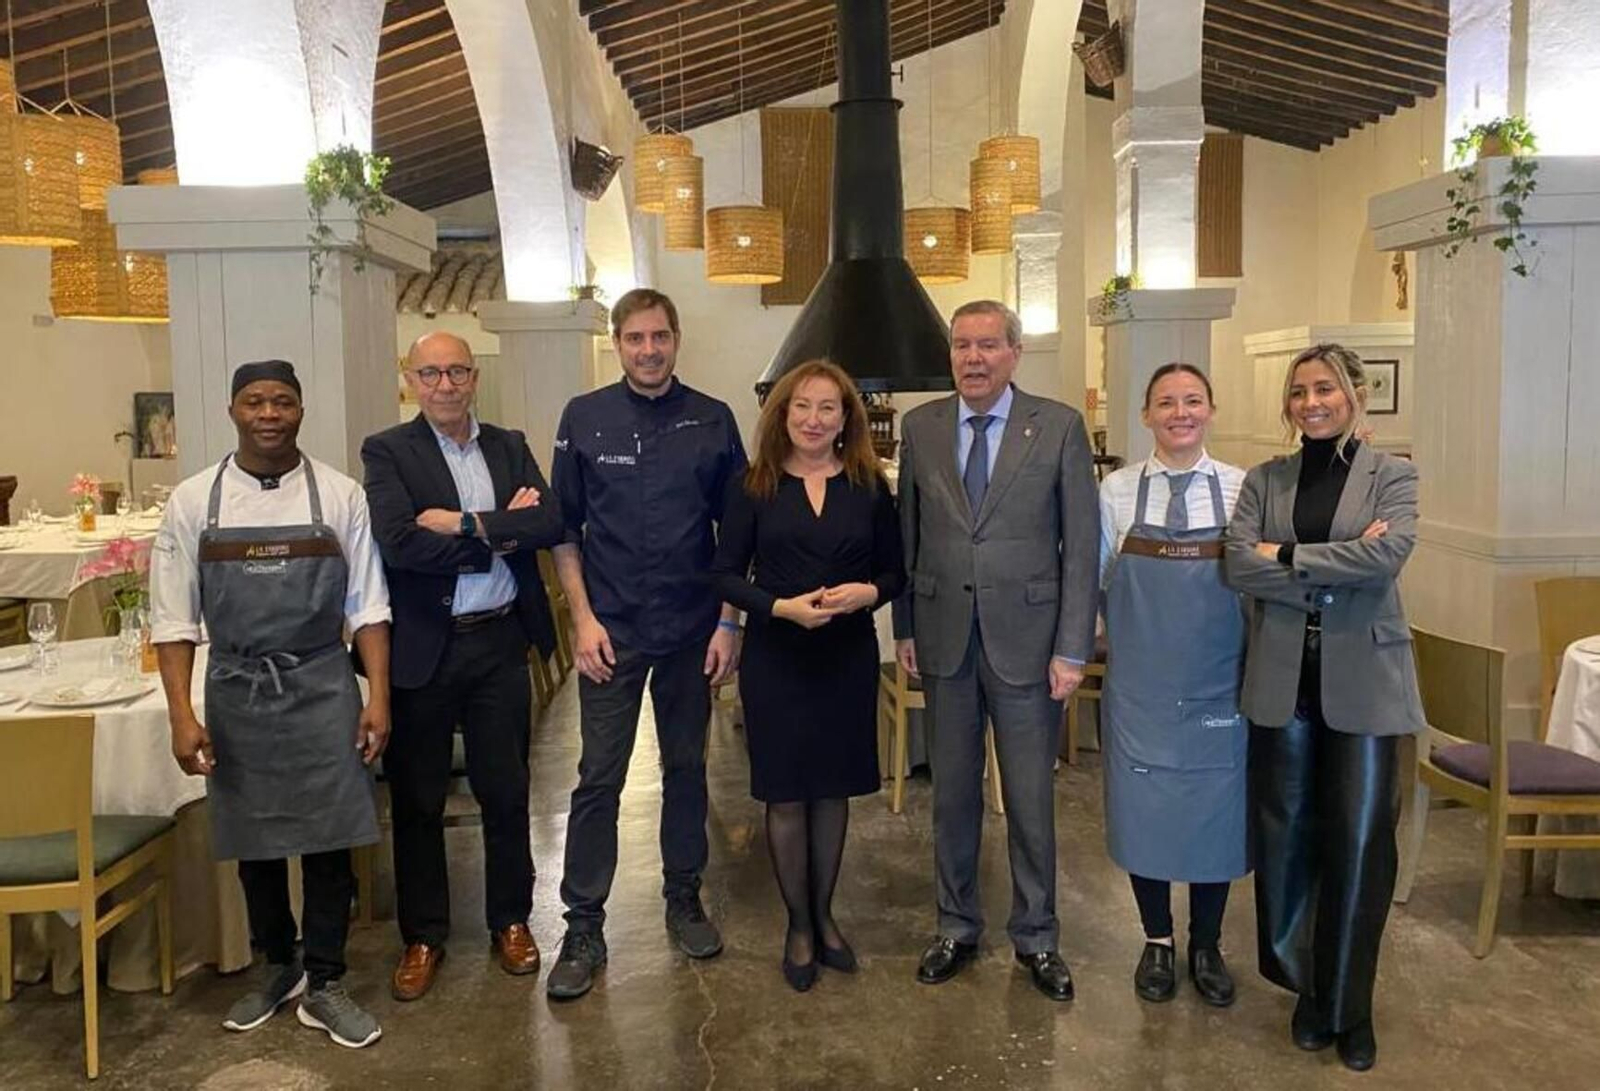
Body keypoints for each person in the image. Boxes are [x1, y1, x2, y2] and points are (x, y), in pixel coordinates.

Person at [151, 360, 390, 1049]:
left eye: (282, 401)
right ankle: (278, 964)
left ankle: (326, 980)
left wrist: (377, 695)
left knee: (328, 839)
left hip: (322, 684)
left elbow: (369, 606)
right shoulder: (193, 502)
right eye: (254, 401)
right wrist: (181, 714)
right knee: (253, 840)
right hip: (236, 688)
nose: (268, 414)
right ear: (232, 410)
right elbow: (172, 619)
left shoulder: (339, 495)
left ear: (300, 410)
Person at [892, 299, 1099, 1002]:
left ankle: (1037, 935)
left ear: (1015, 352)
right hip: (944, 637)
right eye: (961, 345)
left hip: (1030, 645)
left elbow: (1081, 549)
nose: (973, 358)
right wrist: (905, 627)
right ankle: (956, 925)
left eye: (987, 344)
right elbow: (909, 535)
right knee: (951, 795)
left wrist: (1072, 646)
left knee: (1030, 800)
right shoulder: (921, 428)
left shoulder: (1058, 426)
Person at [1225, 343, 1424, 1073]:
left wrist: (1284, 556)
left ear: (1354, 394)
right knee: (1286, 839)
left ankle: (1351, 1006)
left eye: (1325, 389)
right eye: (1300, 391)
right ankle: (1309, 991)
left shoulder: (1392, 475)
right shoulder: (1265, 479)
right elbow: (1236, 564)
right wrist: (1334, 559)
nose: (1311, 402)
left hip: (1365, 682)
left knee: (1362, 842)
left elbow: (1387, 557)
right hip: (1283, 681)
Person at [545, 288, 746, 1000]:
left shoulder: (713, 419)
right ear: (618, 343)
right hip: (613, 630)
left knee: (687, 767)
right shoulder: (584, 417)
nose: (649, 349)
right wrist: (582, 619)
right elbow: (564, 530)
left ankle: (684, 896)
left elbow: (736, 534)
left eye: (660, 336)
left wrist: (728, 623)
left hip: (692, 627)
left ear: (676, 339)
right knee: (599, 776)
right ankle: (583, 924)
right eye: (635, 338)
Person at [361, 332, 566, 1002]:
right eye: (430, 373)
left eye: (456, 371)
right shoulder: (388, 451)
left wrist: (463, 524)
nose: (444, 384)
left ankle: (511, 919)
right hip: (425, 647)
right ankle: (423, 936)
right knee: (417, 798)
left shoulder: (508, 445)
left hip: (499, 642)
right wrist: (499, 535)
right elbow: (399, 543)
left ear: (475, 377)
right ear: (411, 379)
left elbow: (549, 523)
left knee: (506, 790)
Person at [710, 360, 905, 992]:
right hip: (777, 657)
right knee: (787, 794)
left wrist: (868, 593)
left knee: (832, 792)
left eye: (827, 408)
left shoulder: (868, 486)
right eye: (802, 406)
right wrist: (777, 608)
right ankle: (798, 925)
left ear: (846, 419)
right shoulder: (754, 485)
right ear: (783, 414)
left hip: (846, 657)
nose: (814, 419)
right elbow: (724, 573)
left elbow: (896, 572)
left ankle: (825, 916)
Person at [1097, 363, 1248, 1008]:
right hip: (1141, 689)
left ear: (1210, 409)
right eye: (1165, 402)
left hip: (1222, 686)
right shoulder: (1115, 493)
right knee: (1146, 812)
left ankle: (1207, 944)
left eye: (1192, 401)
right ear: (1146, 415)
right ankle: (1156, 939)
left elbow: (1262, 583)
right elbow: (1095, 579)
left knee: (1218, 815)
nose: (1179, 413)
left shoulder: (1243, 490)